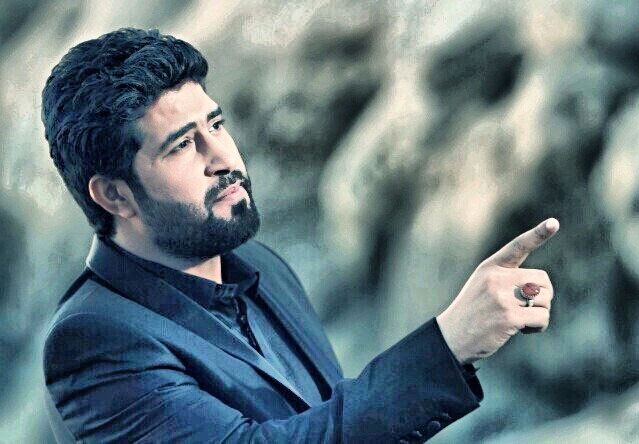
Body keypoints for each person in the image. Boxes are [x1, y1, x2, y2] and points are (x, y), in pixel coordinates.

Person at [41, 28, 559, 443]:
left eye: (216, 125)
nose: (222, 158)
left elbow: (334, 419)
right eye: (181, 146)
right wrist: (449, 344)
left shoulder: (262, 265)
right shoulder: (92, 342)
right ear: (115, 195)